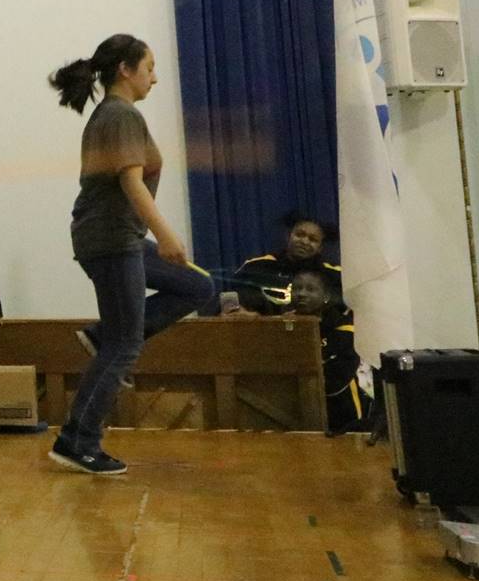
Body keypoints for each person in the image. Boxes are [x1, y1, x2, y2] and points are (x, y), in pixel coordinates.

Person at [47, 35, 215, 477]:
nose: (155, 77)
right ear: (126, 69)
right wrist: (167, 236)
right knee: (127, 345)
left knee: (198, 286)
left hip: (115, 238)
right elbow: (131, 182)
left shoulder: (117, 115)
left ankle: (104, 336)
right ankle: (76, 442)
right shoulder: (120, 115)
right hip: (112, 241)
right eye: (150, 67)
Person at [288, 268, 368, 434]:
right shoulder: (284, 324)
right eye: (297, 288)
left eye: (310, 289)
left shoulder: (342, 324)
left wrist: (309, 386)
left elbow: (343, 369)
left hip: (341, 409)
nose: (302, 294)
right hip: (295, 410)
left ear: (326, 296)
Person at [234, 213, 342, 314]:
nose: (304, 241)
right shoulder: (258, 266)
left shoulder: (332, 275)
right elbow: (231, 301)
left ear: (320, 248)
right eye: (300, 235)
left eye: (313, 239)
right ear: (288, 236)